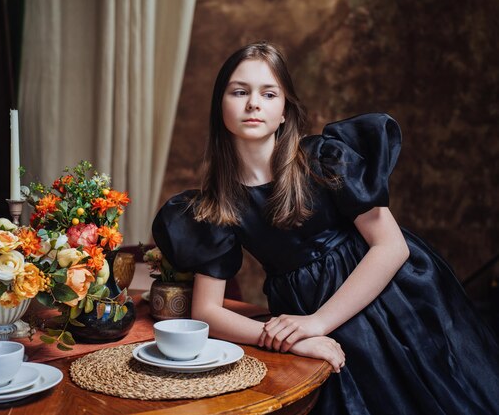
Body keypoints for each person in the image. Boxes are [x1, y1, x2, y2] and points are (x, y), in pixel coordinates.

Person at [152, 42, 499, 415]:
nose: (254, 104)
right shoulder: (215, 204)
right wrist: (287, 339)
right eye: (240, 92)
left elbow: (391, 247)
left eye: (269, 93)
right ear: (220, 106)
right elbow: (206, 311)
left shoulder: (323, 159)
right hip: (301, 316)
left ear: (284, 110)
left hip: (388, 297)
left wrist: (318, 323)